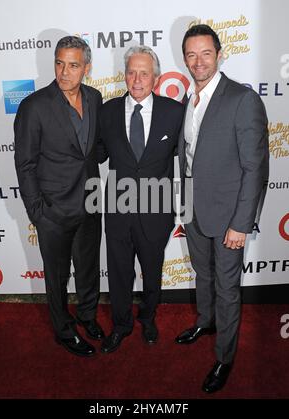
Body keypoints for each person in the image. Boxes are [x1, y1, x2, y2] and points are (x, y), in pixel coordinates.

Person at [175, 24, 269, 393]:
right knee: (204, 275)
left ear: (219, 54)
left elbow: (255, 168)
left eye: (206, 54)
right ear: (184, 58)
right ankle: (205, 321)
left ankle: (225, 357)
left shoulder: (242, 100)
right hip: (194, 211)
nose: (198, 62)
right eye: (191, 55)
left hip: (229, 217)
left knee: (228, 287)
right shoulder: (189, 98)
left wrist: (241, 224)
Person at [14, 36, 105, 357]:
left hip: (91, 204)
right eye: (59, 63)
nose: (65, 72)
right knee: (56, 276)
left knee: (89, 268)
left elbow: (94, 151)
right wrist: (37, 211)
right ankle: (64, 331)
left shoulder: (95, 98)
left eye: (74, 65)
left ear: (87, 68)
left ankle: (88, 316)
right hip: (53, 211)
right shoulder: (34, 106)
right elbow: (25, 164)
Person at [99, 46, 184, 353]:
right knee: (119, 272)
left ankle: (148, 319)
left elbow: (187, 158)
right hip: (118, 208)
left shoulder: (175, 113)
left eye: (144, 73)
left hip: (156, 211)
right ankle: (121, 325)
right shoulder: (106, 112)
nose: (137, 79)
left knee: (152, 271)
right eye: (131, 72)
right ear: (125, 75)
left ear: (156, 77)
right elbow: (96, 153)